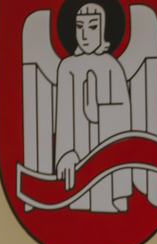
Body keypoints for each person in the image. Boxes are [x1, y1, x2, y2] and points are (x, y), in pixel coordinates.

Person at [55, 2, 132, 211]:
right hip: (77, 153)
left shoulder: (113, 67)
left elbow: (125, 117)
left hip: (106, 151)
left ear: (104, 29)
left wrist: (99, 114)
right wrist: (65, 152)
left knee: (104, 192)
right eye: (79, 26)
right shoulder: (67, 68)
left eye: (93, 26)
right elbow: (62, 118)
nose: (85, 35)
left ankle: (107, 198)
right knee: (79, 201)